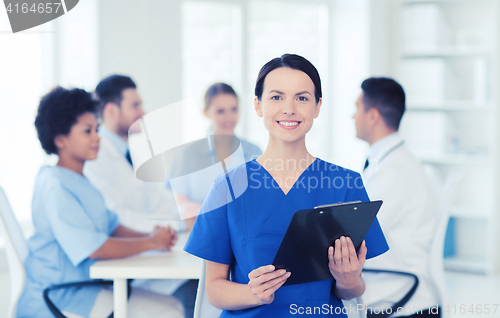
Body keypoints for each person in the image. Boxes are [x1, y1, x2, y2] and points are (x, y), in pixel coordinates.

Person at [184, 54, 389, 317]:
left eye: (302, 98)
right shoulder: (227, 187)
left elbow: (350, 289)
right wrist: (251, 292)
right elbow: (213, 289)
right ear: (258, 106)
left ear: (317, 107)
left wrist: (348, 281)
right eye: (276, 97)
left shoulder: (346, 184)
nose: (289, 108)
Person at [17, 87, 183, 318]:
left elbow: (112, 226)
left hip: (88, 286)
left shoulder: (80, 181)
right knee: (170, 311)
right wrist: (150, 243)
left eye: (97, 129)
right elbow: (95, 247)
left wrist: (152, 237)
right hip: (61, 295)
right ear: (60, 140)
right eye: (88, 131)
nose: (97, 137)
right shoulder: (55, 186)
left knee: (173, 306)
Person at [83, 75, 197, 318]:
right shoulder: (96, 157)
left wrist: (187, 211)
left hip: (142, 256)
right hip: (123, 266)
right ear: (112, 111)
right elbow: (115, 216)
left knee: (200, 285)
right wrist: (179, 222)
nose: (142, 112)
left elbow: (153, 197)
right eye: (135, 105)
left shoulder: (123, 152)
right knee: (194, 292)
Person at [353, 77, 440, 317]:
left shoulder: (395, 171)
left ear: (373, 116)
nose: (353, 117)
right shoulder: (391, 163)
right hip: (395, 292)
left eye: (357, 108)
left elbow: (356, 234)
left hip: (403, 302)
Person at [169, 83, 262, 223]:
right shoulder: (187, 153)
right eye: (220, 111)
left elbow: (259, 201)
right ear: (206, 112)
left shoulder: (253, 152)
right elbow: (177, 201)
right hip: (199, 233)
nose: (229, 117)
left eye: (234, 109)